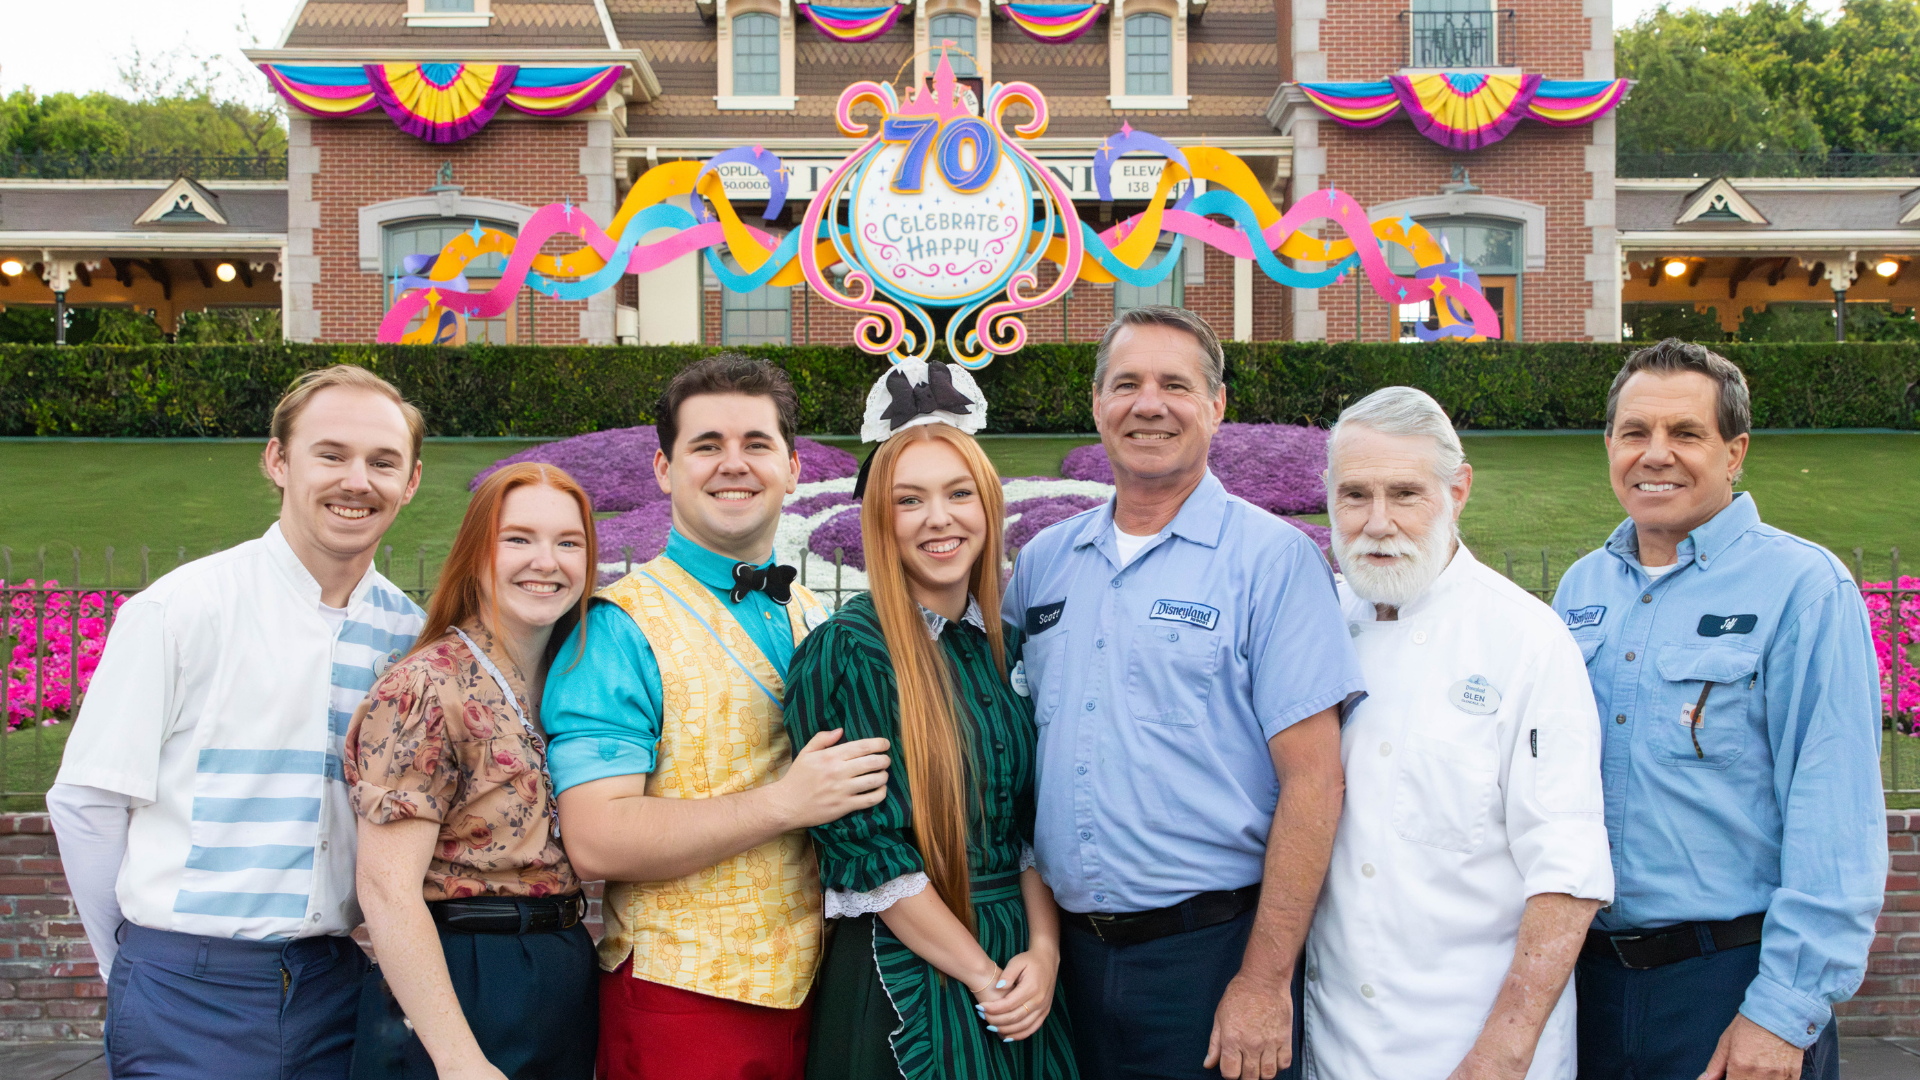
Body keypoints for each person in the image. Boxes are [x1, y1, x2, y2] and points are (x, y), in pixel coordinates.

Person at [1003, 306, 1365, 1080]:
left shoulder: (1274, 563)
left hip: (1209, 960)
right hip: (1064, 963)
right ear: (1098, 404)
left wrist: (1264, 982)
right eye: (1126, 384)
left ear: (1216, 406)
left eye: (1176, 384)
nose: (1149, 404)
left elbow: (1315, 781)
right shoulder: (1043, 563)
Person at [46, 365, 429, 1079]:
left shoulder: (408, 636)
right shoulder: (183, 609)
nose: (358, 480)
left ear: (409, 483)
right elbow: (88, 802)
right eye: (331, 454)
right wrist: (132, 963)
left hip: (335, 987)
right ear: (277, 461)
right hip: (185, 988)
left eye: (383, 462)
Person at [542, 355, 893, 1080]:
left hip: (817, 988)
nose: (733, 464)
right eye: (706, 445)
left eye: (756, 444)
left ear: (793, 467)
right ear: (665, 469)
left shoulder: (814, 614)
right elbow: (596, 838)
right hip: (685, 999)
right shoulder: (618, 626)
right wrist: (783, 804)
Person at [1553, 339, 1885, 1080]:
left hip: (1729, 986)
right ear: (1609, 446)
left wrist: (1783, 1012)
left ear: (1735, 453)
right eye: (1635, 433)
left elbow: (1837, 820)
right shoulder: (1581, 589)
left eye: (1686, 434)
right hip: (1589, 988)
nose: (1655, 454)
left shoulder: (1802, 588)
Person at [1305, 386, 1613, 1080]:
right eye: (1355, 495)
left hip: (1476, 1052)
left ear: (1458, 489)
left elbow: (1567, 874)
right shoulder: (1319, 625)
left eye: (1405, 494)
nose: (1377, 523)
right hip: (1335, 1048)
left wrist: (1500, 1054)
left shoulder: (1527, 642)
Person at [785, 362, 1079, 1080]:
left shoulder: (1000, 646)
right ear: (881, 518)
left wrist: (1043, 955)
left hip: (1020, 972)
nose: (939, 518)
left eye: (957, 494)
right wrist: (984, 976)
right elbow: (867, 853)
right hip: (911, 971)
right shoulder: (850, 651)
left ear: (988, 506)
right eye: (910, 499)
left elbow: (1028, 827)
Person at [345, 462, 600, 1079]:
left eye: (569, 542)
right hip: (466, 972)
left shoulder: (580, 680)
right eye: (518, 539)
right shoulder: (425, 688)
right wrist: (459, 1060)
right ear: (476, 553)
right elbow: (386, 889)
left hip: (562, 963)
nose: (547, 561)